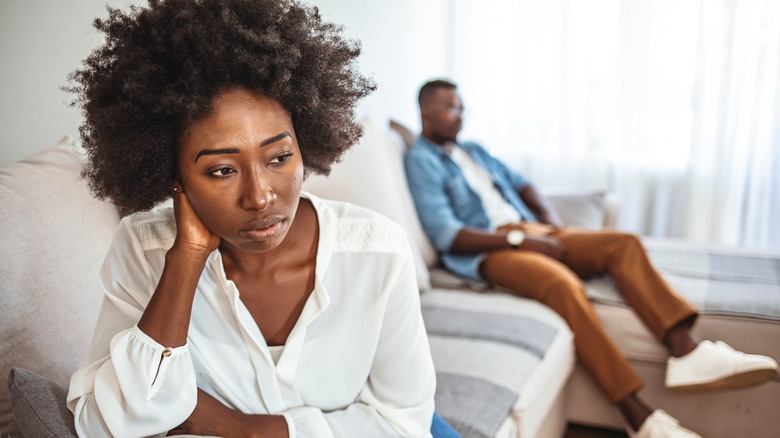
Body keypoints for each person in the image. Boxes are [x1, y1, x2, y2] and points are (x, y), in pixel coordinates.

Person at [65, 2, 463, 437]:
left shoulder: (378, 250)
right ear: (174, 175)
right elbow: (105, 425)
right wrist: (187, 258)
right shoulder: (144, 251)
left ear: (305, 144)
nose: (260, 197)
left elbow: (403, 424)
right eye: (222, 170)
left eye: (279, 157)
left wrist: (246, 429)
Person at [404, 79, 779, 438]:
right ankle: (640, 418)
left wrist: (550, 223)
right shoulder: (421, 160)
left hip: (531, 230)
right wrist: (518, 240)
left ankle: (687, 350)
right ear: (426, 112)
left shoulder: (473, 150)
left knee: (623, 244)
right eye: (451, 108)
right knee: (561, 284)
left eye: (462, 107)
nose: (460, 115)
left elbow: (523, 185)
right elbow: (446, 234)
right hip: (492, 251)